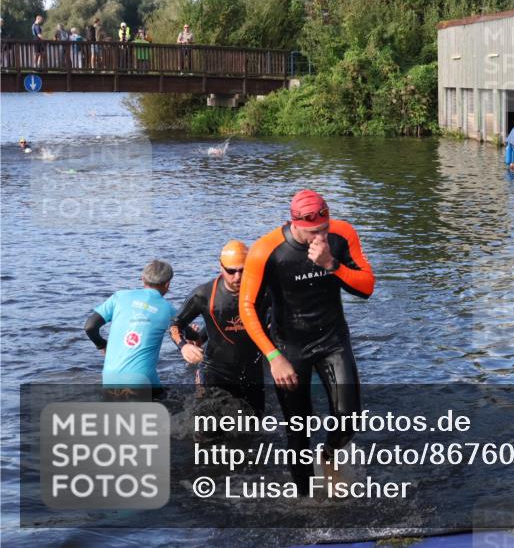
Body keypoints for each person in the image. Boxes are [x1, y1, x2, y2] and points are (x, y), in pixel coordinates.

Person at [239, 189, 375, 495]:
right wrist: (274, 357)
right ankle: (306, 501)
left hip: (333, 340)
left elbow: (367, 287)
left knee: (350, 418)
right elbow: (246, 307)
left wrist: (332, 264)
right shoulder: (266, 250)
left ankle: (327, 455)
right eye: (313, 232)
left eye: (324, 229)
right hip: (290, 348)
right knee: (298, 430)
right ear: (294, 223)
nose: (320, 237)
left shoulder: (341, 235)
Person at [170, 241, 269, 416]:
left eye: (242, 270)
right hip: (215, 371)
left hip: (252, 370)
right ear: (221, 267)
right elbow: (176, 325)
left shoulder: (264, 290)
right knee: (207, 430)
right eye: (231, 271)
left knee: (255, 428)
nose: (237, 277)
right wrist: (184, 346)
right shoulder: (204, 294)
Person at [84, 260, 176, 389]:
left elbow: (90, 327)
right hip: (143, 381)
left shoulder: (119, 297)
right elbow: (188, 335)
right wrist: (194, 335)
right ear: (167, 284)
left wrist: (102, 345)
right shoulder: (168, 309)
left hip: (110, 378)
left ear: (142, 279)